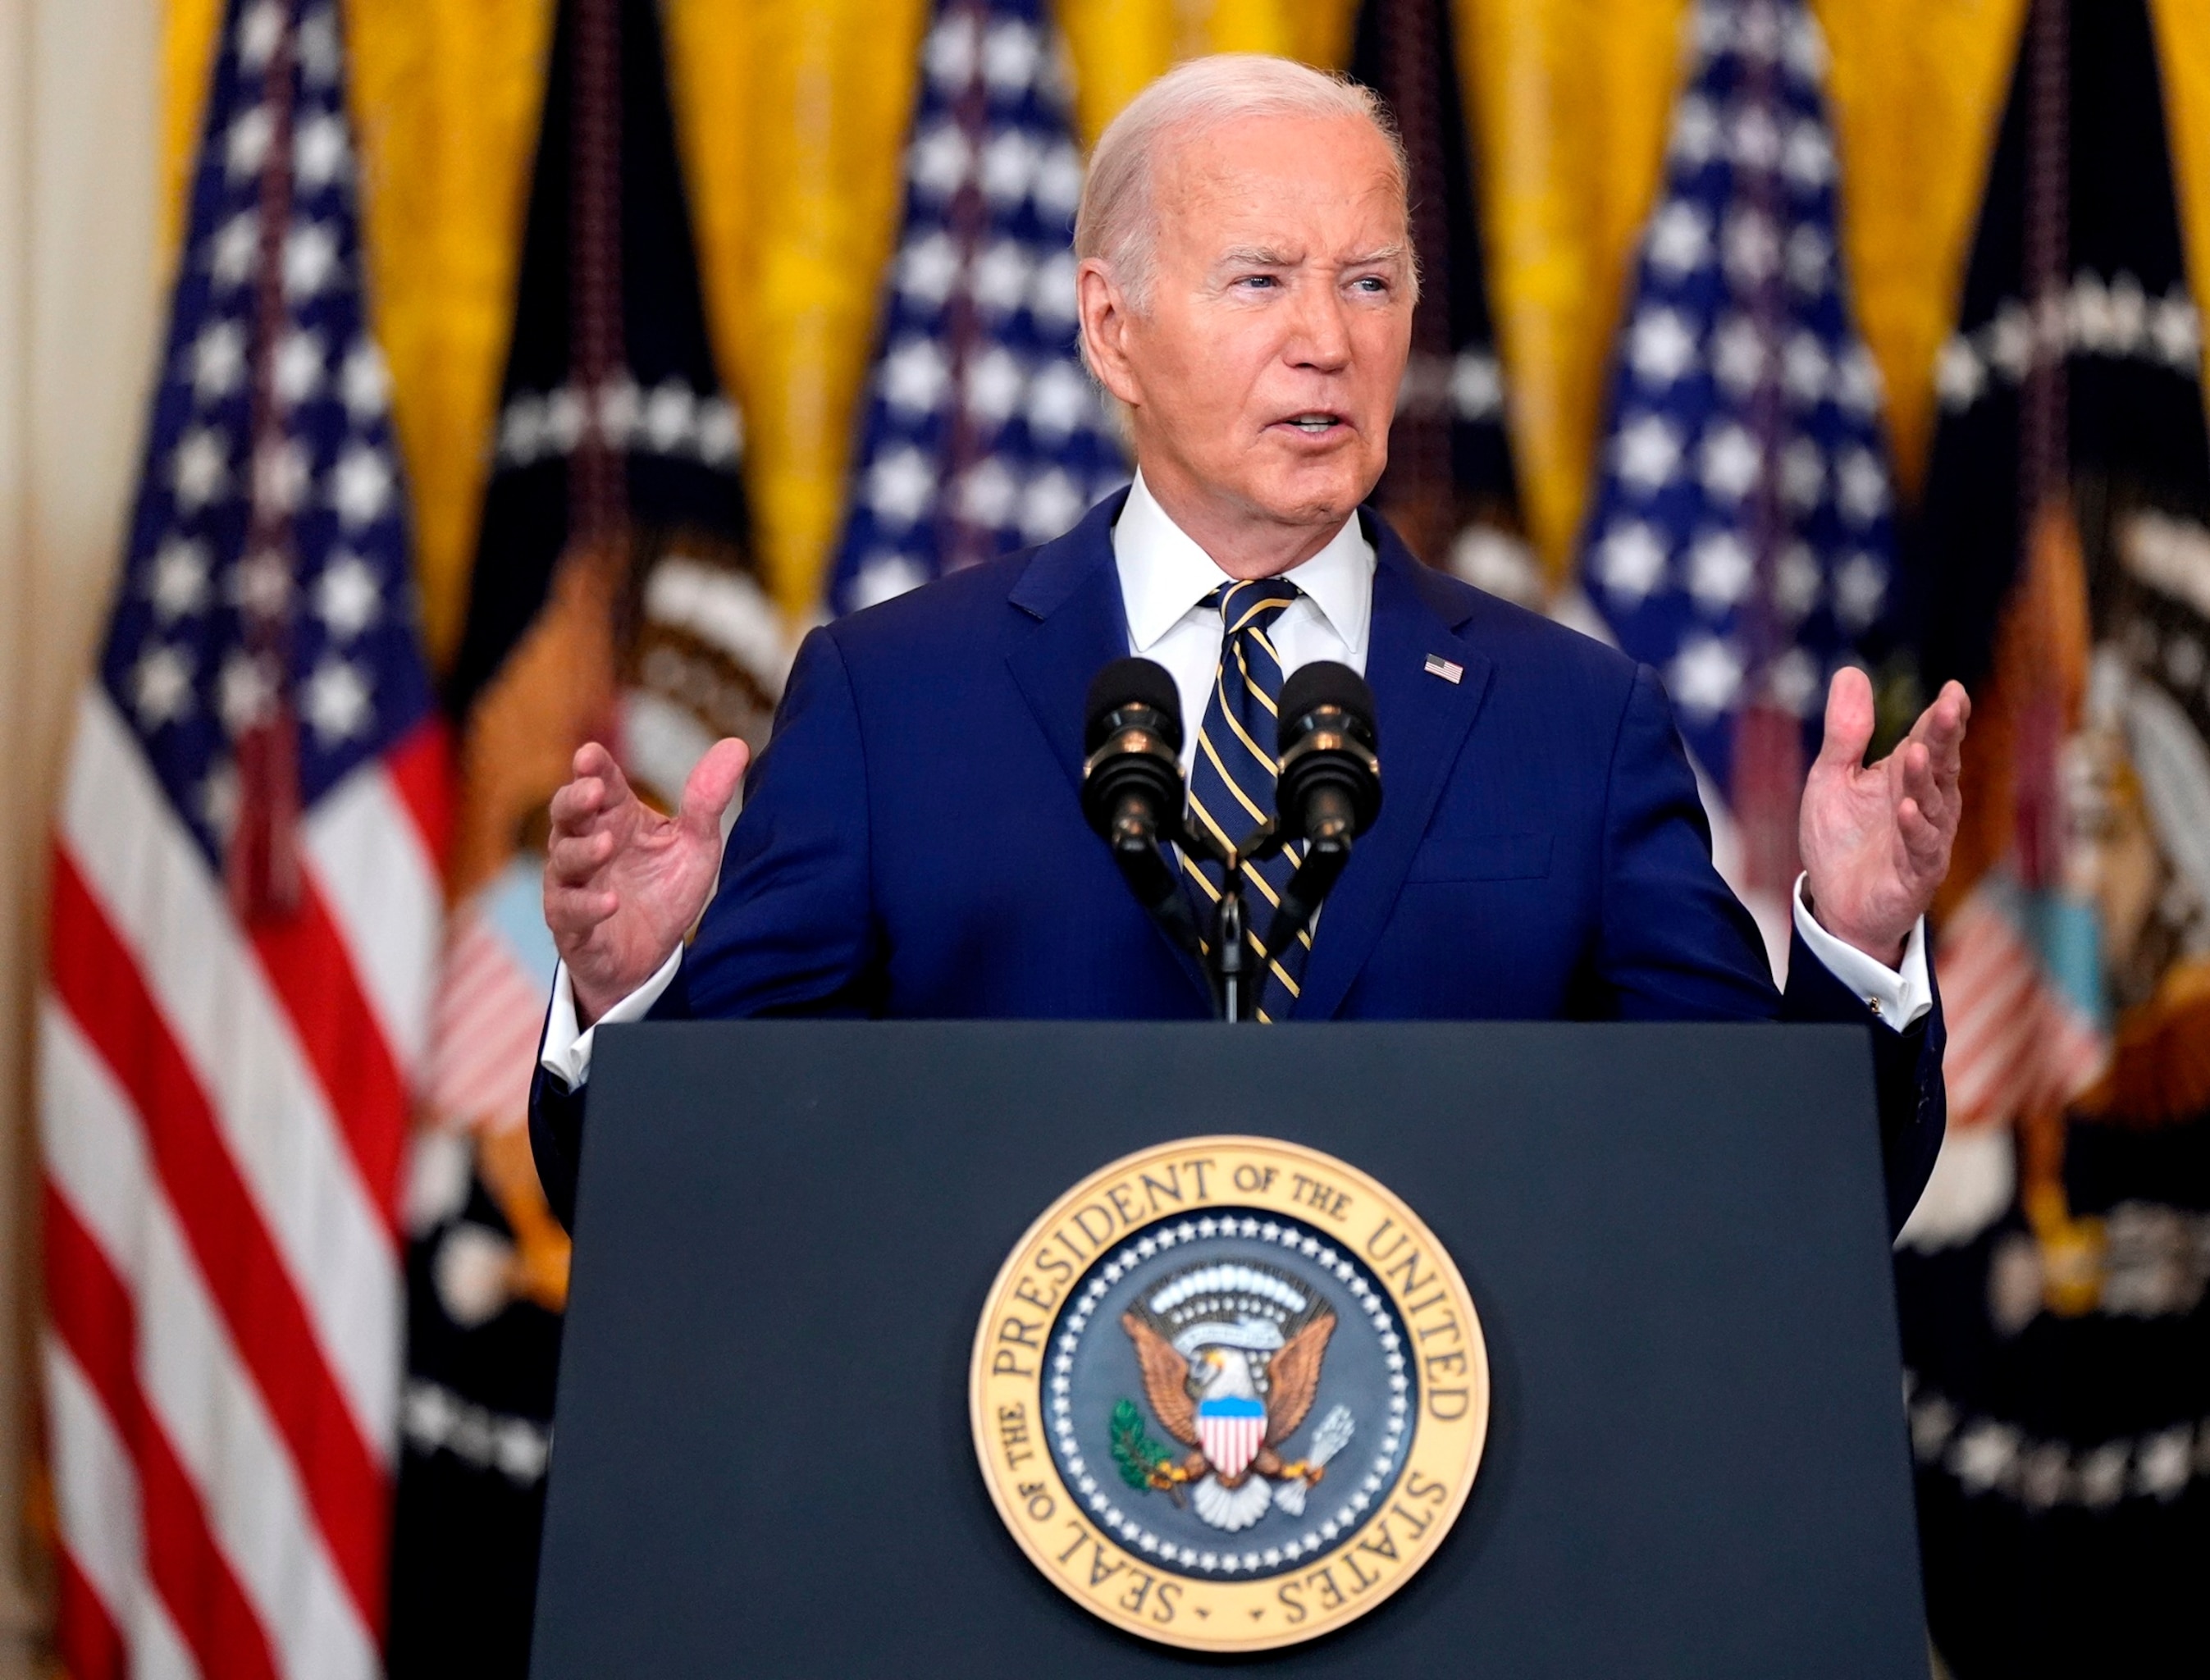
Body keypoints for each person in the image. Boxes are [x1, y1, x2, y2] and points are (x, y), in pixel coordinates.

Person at [528, 54, 1970, 1229]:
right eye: (1261, 279)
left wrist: (1852, 942)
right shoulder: (893, 699)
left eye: (1370, 282)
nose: (1327, 341)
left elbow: (1771, 1207)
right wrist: (637, 1006)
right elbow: (689, 1215)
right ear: (1112, 329)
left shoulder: (1573, 720)